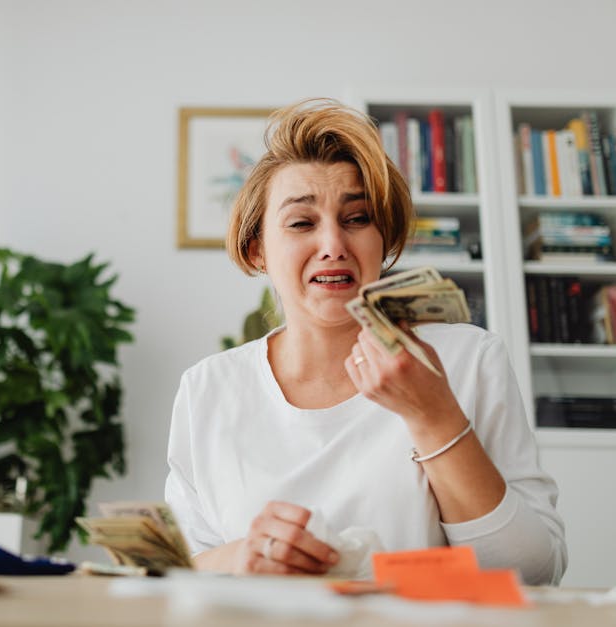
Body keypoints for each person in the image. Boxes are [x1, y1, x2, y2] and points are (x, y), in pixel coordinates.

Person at [164, 98, 566, 585]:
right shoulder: (207, 388)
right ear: (258, 251)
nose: (333, 244)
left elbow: (533, 572)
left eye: (357, 219)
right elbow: (175, 571)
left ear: (384, 240)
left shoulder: (469, 359)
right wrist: (240, 558)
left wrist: (433, 413)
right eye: (301, 223)